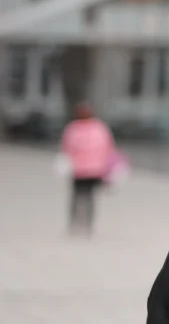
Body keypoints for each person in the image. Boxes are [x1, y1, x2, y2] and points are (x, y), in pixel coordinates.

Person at [60, 101, 116, 236]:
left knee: (80, 196)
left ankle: (78, 223)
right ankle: (83, 224)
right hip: (90, 169)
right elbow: (109, 149)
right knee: (85, 197)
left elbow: (66, 149)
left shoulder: (74, 128)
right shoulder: (99, 128)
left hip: (85, 169)